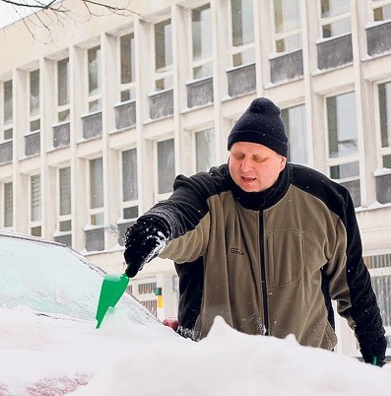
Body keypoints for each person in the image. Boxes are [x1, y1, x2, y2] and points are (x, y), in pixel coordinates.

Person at [123, 96, 387, 365]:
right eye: (238, 155)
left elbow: (352, 283)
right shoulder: (209, 195)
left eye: (258, 158)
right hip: (219, 374)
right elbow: (179, 213)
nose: (245, 166)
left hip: (306, 372)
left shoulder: (326, 202)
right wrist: (156, 227)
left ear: (282, 160)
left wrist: (373, 344)